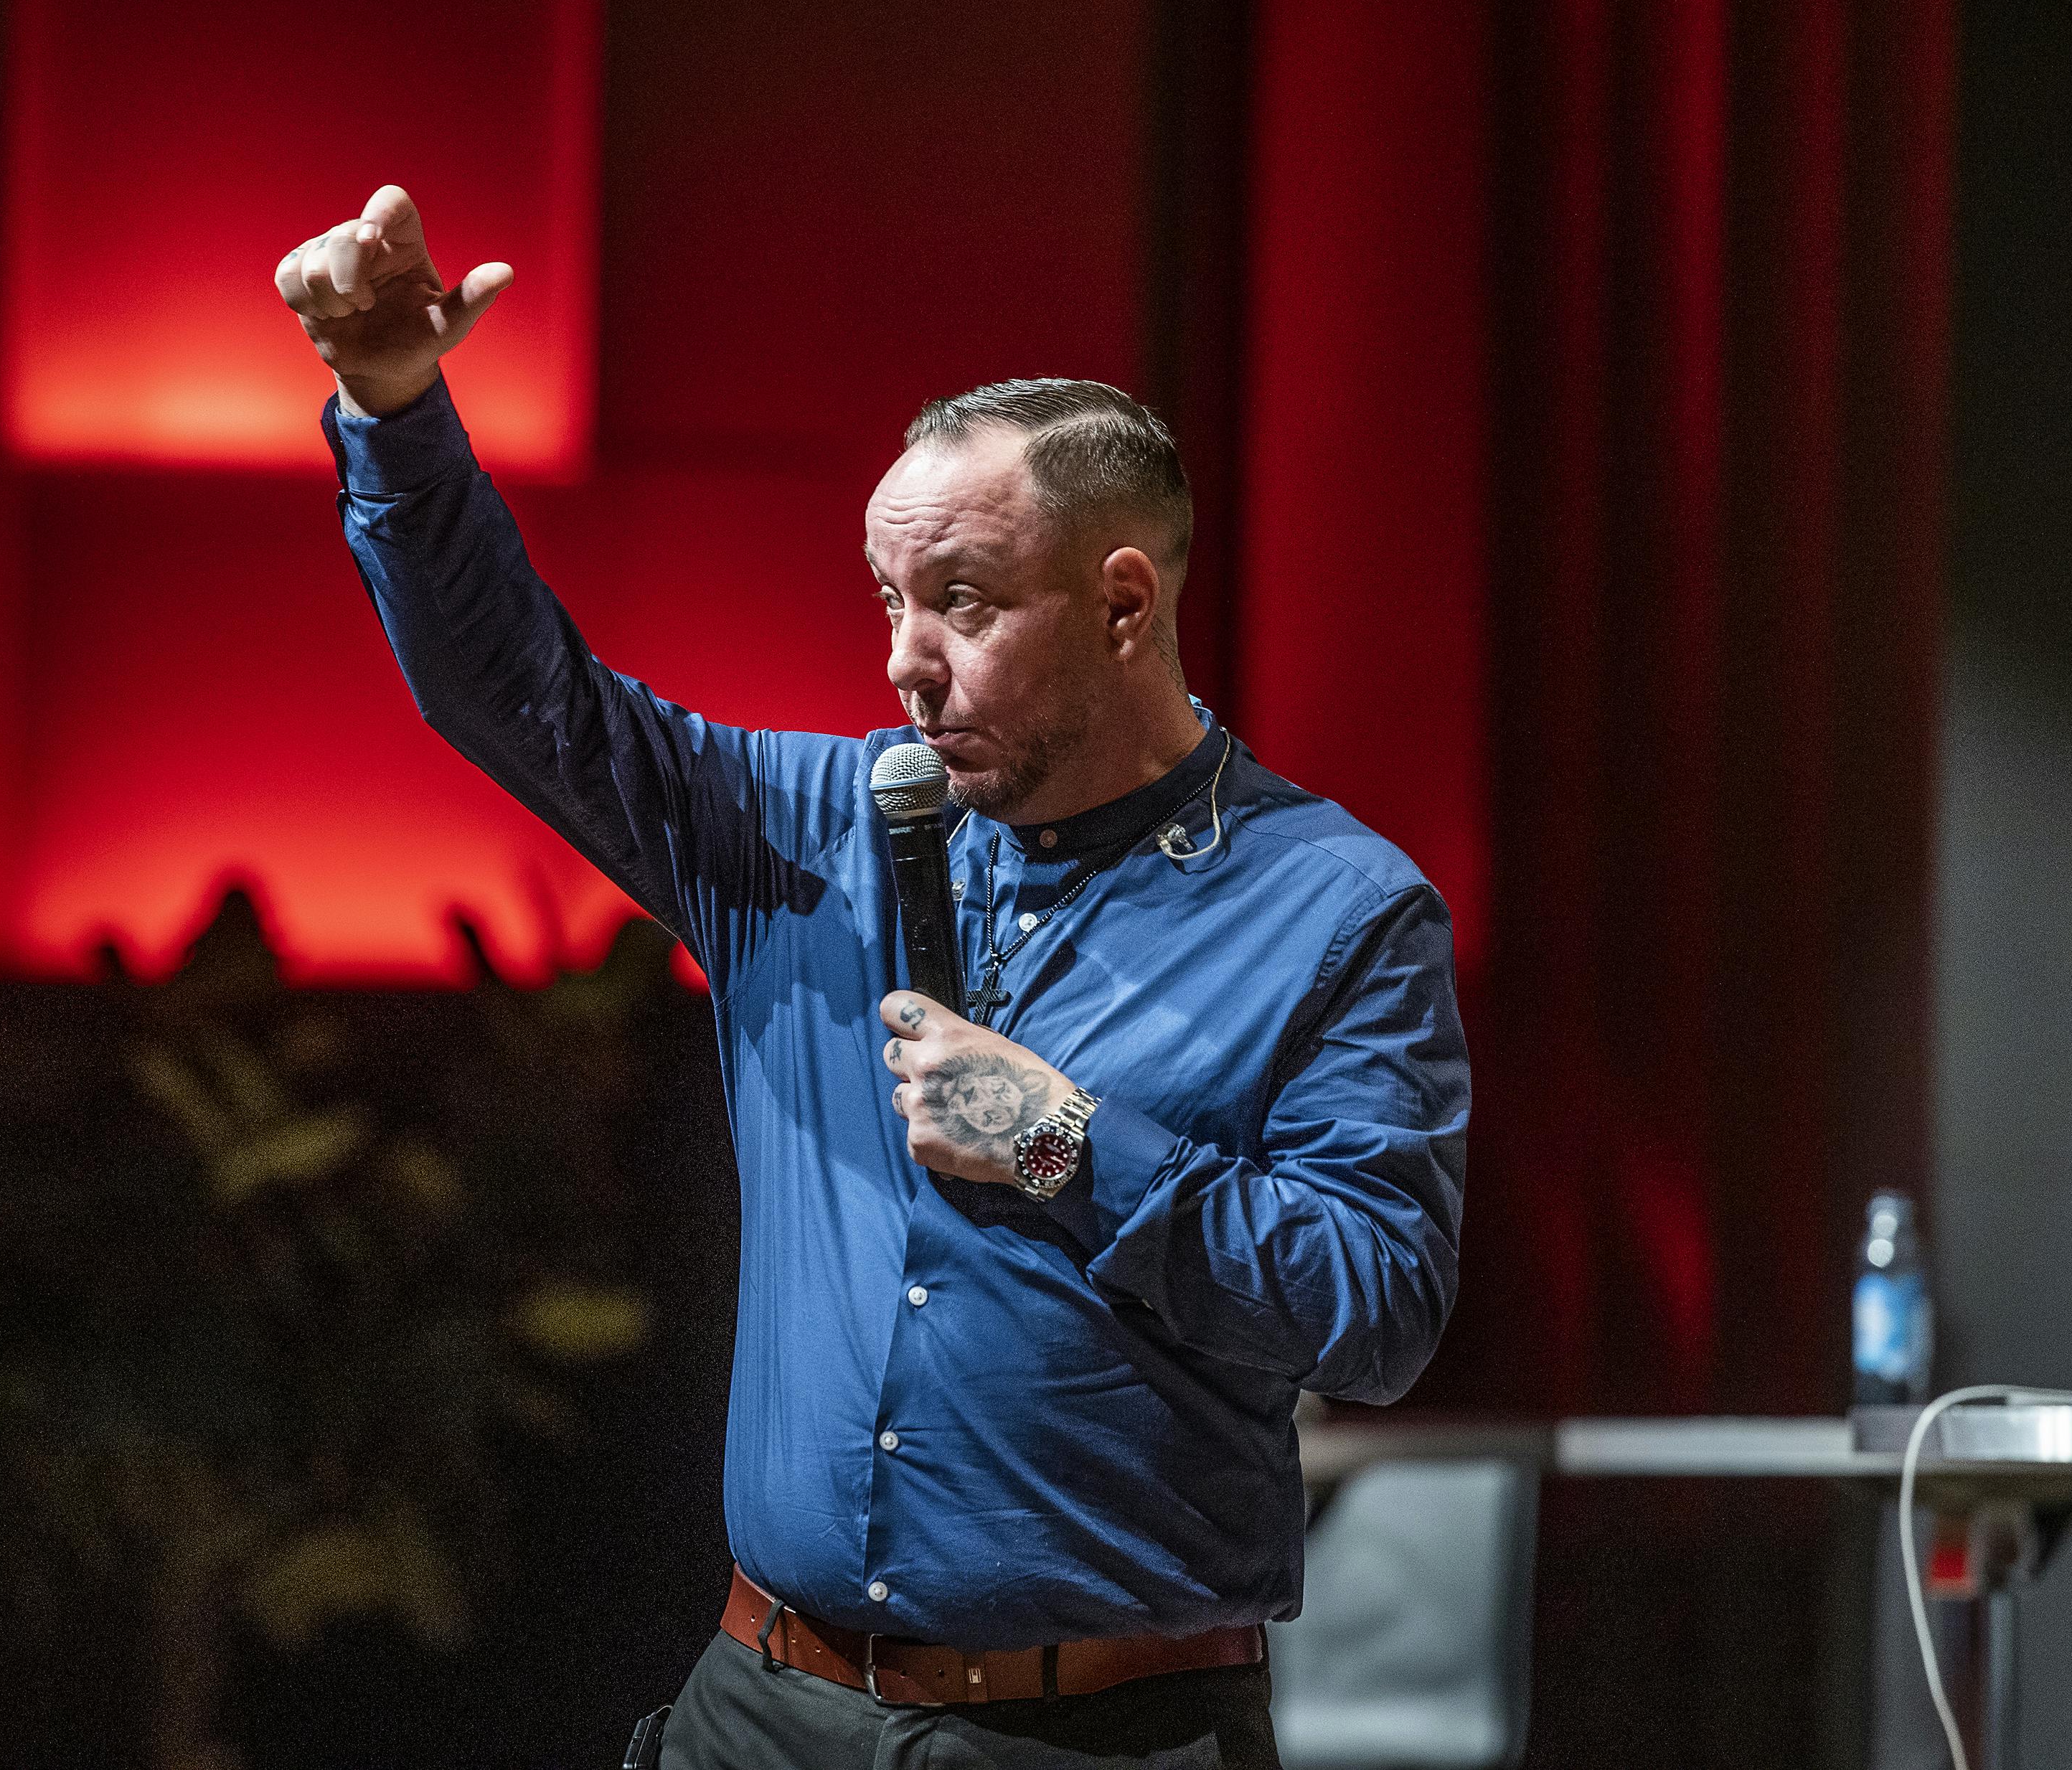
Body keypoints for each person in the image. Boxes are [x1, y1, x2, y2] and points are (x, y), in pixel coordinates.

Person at [276, 184, 1469, 1768]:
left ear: (1124, 601)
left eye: (961, 603)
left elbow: (1375, 1311)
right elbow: (512, 689)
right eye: (888, 600)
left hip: (1099, 1736)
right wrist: (394, 405)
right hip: (761, 1707)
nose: (904, 658)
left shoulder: (1331, 910)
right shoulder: (797, 830)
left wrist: (1066, 1149)